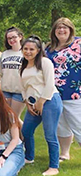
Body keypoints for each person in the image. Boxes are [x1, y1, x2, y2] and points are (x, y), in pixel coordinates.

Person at [20, 35, 63, 176]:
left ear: (38, 50)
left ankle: (54, 167)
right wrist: (27, 101)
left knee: (50, 135)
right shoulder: (24, 64)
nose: (28, 52)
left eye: (31, 49)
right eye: (25, 49)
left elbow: (50, 84)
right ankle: (29, 157)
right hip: (33, 103)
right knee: (26, 131)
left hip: (50, 101)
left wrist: (41, 102)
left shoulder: (45, 62)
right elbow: (23, 86)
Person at [45, 18, 81, 162]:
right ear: (54, 31)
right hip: (54, 94)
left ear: (70, 29)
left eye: (65, 27)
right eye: (58, 27)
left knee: (78, 124)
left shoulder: (78, 43)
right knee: (61, 126)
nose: (61, 30)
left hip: (74, 93)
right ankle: (65, 153)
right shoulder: (49, 48)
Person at [0, 27, 24, 124]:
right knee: (7, 117)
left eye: (14, 37)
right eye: (9, 38)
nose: (11, 40)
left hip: (19, 92)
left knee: (14, 118)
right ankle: (13, 138)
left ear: (20, 37)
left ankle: (25, 137)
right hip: (5, 91)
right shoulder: (4, 54)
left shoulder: (25, 53)